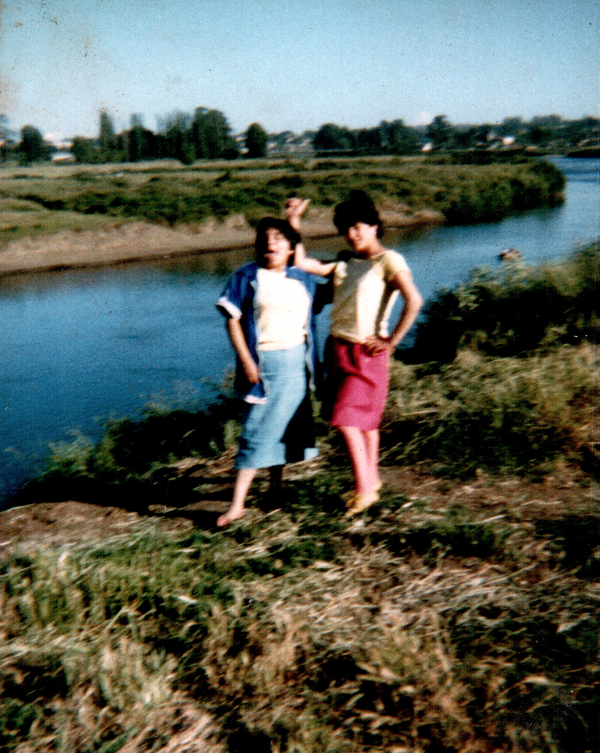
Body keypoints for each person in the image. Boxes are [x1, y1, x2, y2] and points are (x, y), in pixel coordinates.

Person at [287, 192, 423, 517]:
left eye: (358, 227)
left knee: (346, 420)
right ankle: (371, 481)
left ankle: (363, 491)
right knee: (364, 423)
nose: (352, 234)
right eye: (346, 229)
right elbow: (301, 263)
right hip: (337, 350)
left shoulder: (389, 260)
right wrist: (294, 222)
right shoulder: (346, 262)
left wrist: (391, 341)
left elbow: (414, 301)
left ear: (375, 226)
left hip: (367, 352)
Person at [215, 216, 320, 527]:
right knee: (256, 433)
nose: (270, 244)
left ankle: (276, 488)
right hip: (265, 365)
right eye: (264, 239)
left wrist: (296, 221)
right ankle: (237, 505)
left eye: (279, 239)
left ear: (291, 248)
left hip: (298, 364)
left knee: (285, 430)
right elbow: (232, 319)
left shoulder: (303, 277)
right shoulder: (246, 276)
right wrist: (247, 362)